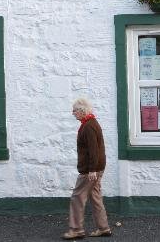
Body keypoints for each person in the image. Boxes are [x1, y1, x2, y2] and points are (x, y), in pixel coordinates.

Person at [62, 98, 112, 240]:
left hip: (90, 170)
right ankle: (103, 228)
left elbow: (93, 150)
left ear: (82, 111)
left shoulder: (89, 126)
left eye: (74, 110)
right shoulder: (90, 123)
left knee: (77, 197)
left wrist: (91, 170)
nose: (73, 113)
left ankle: (76, 230)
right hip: (96, 168)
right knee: (95, 197)